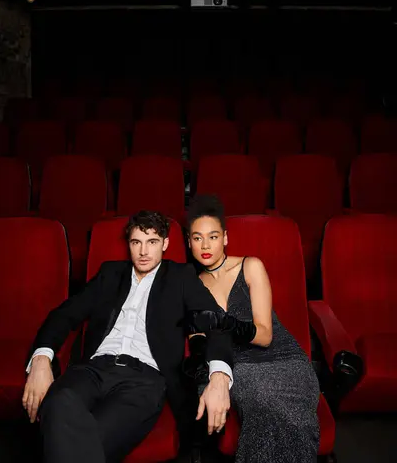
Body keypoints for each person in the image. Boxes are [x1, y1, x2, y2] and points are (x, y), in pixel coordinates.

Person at [22, 210, 233, 463]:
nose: (143, 251)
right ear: (129, 245)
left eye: (152, 242)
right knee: (57, 402)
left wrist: (219, 375)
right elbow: (65, 314)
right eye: (136, 242)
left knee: (84, 435)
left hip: (143, 380)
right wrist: (41, 358)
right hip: (92, 370)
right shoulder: (110, 274)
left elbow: (215, 323)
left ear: (165, 244)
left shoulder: (181, 277)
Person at [185, 195, 320, 463]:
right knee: (262, 403)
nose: (205, 245)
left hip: (282, 358)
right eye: (197, 238)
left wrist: (222, 323)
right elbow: (198, 339)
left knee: (292, 417)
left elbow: (264, 335)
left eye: (212, 236)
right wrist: (211, 374)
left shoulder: (251, 266)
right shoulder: (190, 286)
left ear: (225, 238)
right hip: (238, 365)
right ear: (189, 243)